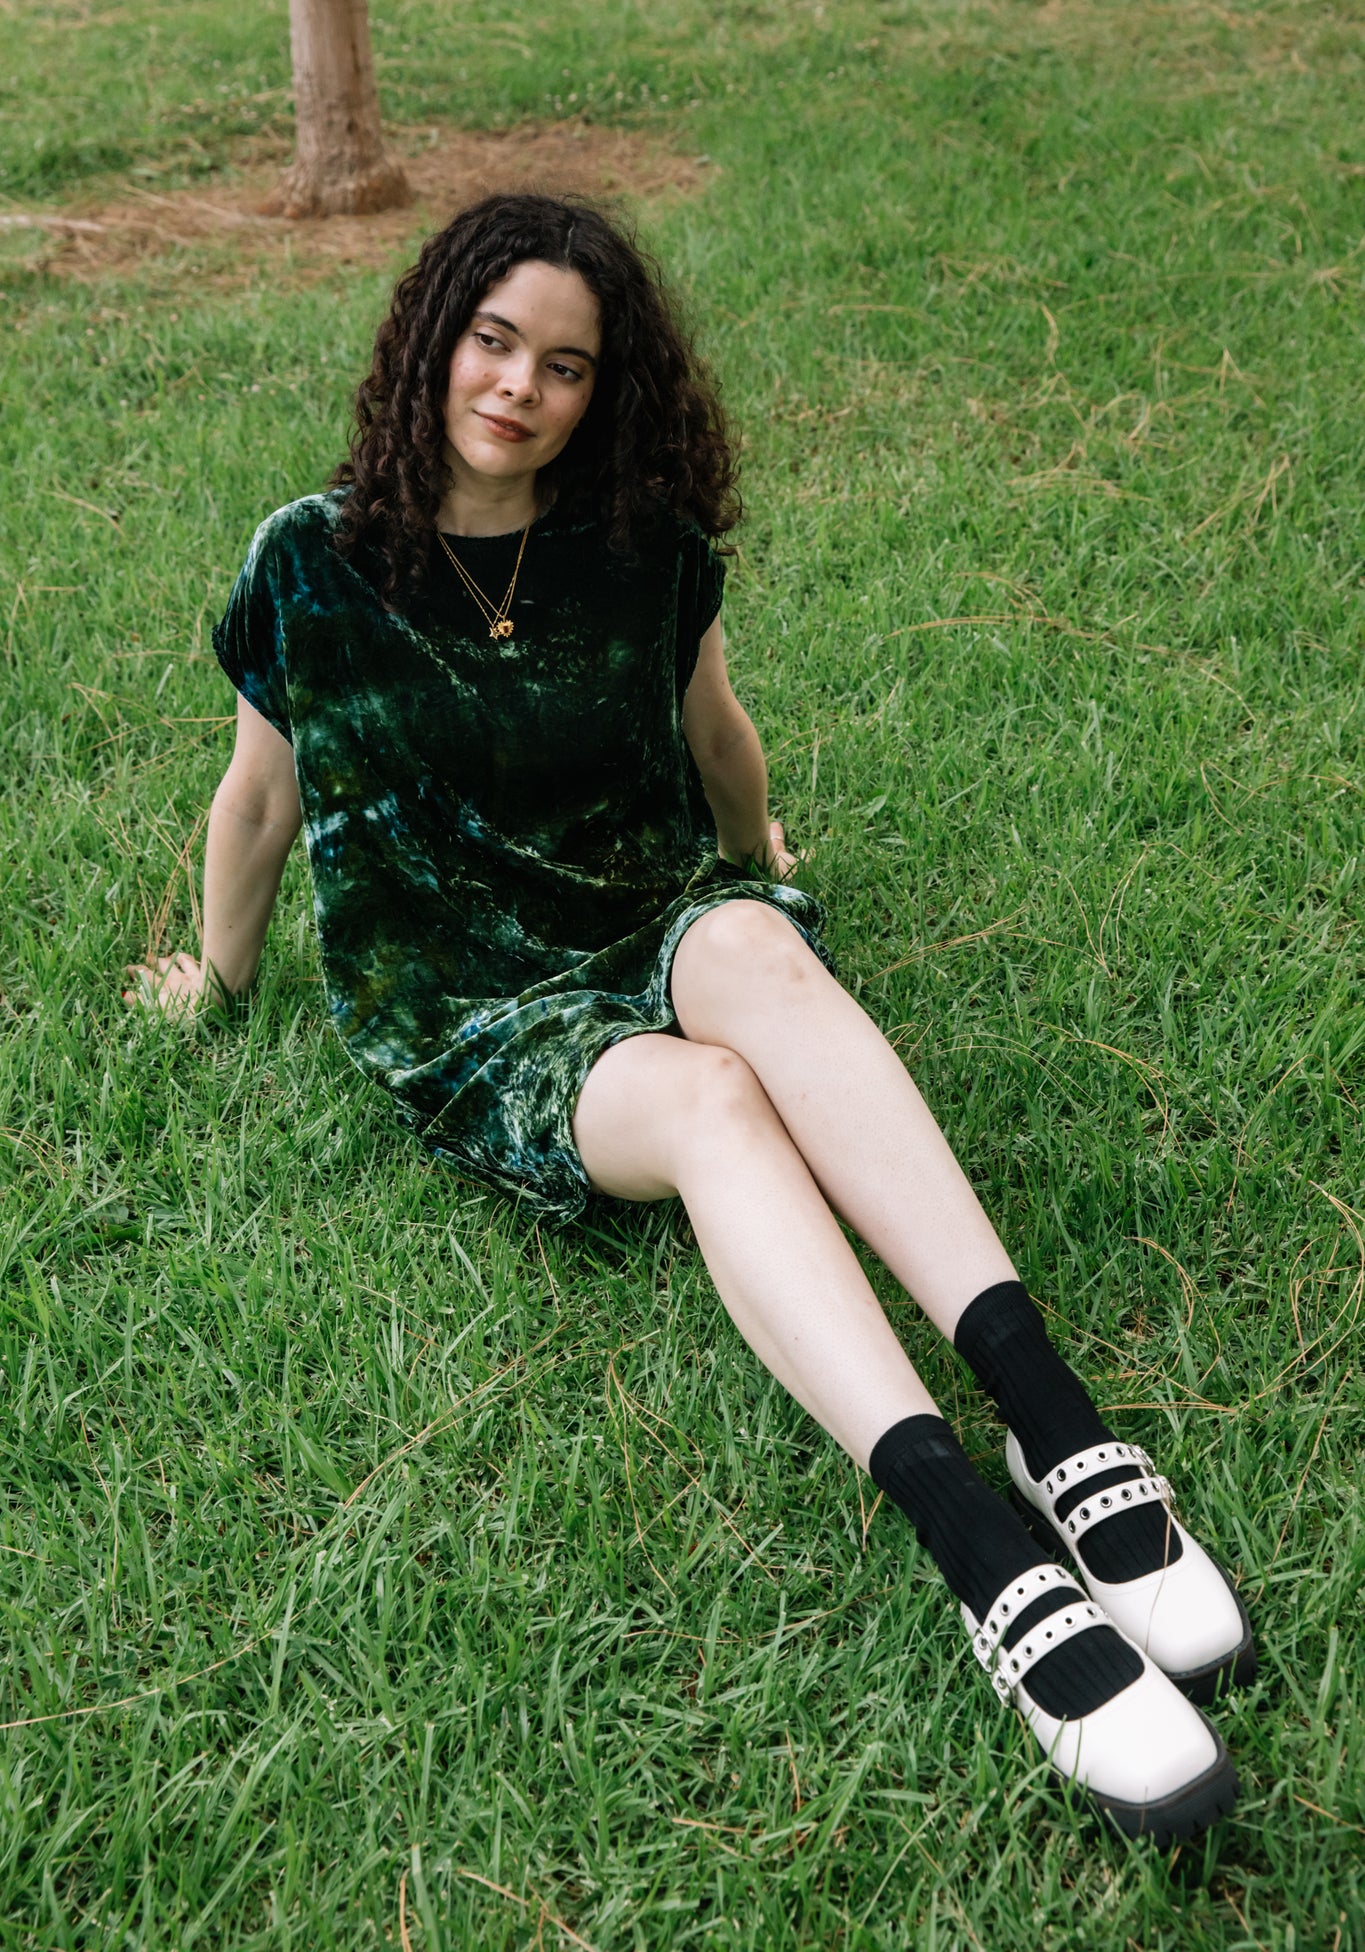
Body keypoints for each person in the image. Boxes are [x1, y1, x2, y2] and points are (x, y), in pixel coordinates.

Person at [126, 192, 1255, 1845]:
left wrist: (757, 863)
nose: (517, 387)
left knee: (756, 961)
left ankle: (1056, 1426)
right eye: (491, 341)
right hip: (472, 996)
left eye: (563, 365)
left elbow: (717, 732)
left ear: (606, 390)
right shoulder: (311, 562)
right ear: (430, 340)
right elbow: (256, 800)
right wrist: (216, 982)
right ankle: (980, 1551)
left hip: (642, 904)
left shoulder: (639, 547)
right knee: (714, 1102)